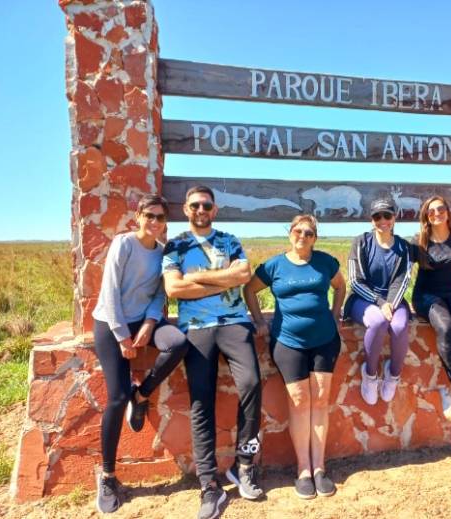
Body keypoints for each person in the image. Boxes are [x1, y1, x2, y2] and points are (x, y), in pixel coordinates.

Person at [162, 186, 263, 519]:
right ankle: (208, 484)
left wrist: (199, 278)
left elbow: (243, 275)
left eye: (206, 205)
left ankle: (244, 465)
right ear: (186, 209)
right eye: (195, 205)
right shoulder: (176, 245)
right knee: (201, 402)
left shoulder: (229, 241)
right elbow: (174, 287)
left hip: (234, 323)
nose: (201, 210)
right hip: (196, 329)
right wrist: (224, 279)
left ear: (214, 209)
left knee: (251, 385)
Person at [92, 194, 190, 514]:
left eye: (161, 217)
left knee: (178, 342)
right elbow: (109, 293)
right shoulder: (123, 244)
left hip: (143, 320)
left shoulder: (162, 253)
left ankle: (143, 393)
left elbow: (159, 295)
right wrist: (123, 336)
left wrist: (149, 323)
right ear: (138, 216)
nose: (155, 222)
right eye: (150, 215)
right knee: (117, 397)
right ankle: (108, 476)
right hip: (110, 323)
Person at [243, 215, 346, 500]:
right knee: (299, 400)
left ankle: (319, 468)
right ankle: (303, 470)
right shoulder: (274, 265)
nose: (303, 236)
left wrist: (335, 313)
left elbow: (340, 286)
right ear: (290, 233)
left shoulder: (325, 262)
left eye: (309, 233)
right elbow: (249, 289)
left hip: (325, 340)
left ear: (315, 238)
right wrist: (258, 321)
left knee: (321, 399)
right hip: (288, 342)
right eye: (298, 231)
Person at [343, 198, 413, 405]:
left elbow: (403, 279)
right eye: (377, 216)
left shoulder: (404, 247)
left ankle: (393, 375)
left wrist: (390, 303)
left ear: (394, 218)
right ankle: (370, 375)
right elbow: (355, 280)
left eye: (387, 215)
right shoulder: (361, 242)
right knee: (378, 321)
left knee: (399, 326)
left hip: (393, 299)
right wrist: (380, 302)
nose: (383, 220)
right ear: (371, 220)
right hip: (364, 298)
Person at [411, 196, 451, 421]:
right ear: (426, 217)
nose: (436, 214)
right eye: (431, 211)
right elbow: (399, 266)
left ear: (447, 212)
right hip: (426, 296)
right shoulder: (419, 241)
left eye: (440, 209)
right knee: (446, 328)